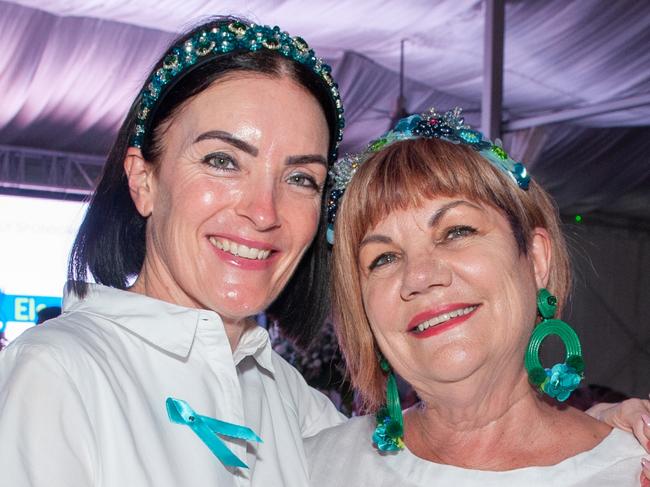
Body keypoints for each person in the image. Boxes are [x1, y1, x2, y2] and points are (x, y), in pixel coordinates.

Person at [0, 16, 346, 487]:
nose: (264, 212)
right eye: (223, 161)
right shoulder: (58, 375)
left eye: (301, 178)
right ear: (144, 180)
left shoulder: (294, 401)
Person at [307, 108, 650, 486]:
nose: (419, 276)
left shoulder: (630, 471)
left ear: (536, 259)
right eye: (383, 258)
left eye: (456, 232)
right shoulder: (307, 469)